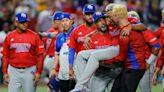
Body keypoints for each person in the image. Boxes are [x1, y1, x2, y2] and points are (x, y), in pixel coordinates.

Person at [2, 12, 45, 92]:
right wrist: (5, 72)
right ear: (16, 23)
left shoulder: (35, 36)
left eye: (26, 22)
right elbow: (5, 56)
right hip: (13, 70)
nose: (25, 24)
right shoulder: (9, 36)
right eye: (22, 22)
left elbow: (40, 56)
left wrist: (39, 72)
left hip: (30, 69)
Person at [128, 11, 160, 92]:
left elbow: (157, 46)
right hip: (131, 64)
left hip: (144, 64)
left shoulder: (144, 31)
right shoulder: (125, 31)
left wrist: (149, 62)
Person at [68, 4, 96, 80]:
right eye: (87, 14)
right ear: (83, 15)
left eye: (92, 14)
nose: (90, 16)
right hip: (81, 64)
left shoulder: (100, 29)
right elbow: (71, 50)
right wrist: (70, 67)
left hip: (96, 64)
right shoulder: (76, 31)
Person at [50, 13, 76, 92]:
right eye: (63, 21)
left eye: (67, 20)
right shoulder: (59, 37)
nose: (65, 23)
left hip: (76, 71)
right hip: (63, 72)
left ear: (71, 21)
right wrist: (54, 68)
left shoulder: (76, 33)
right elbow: (57, 53)